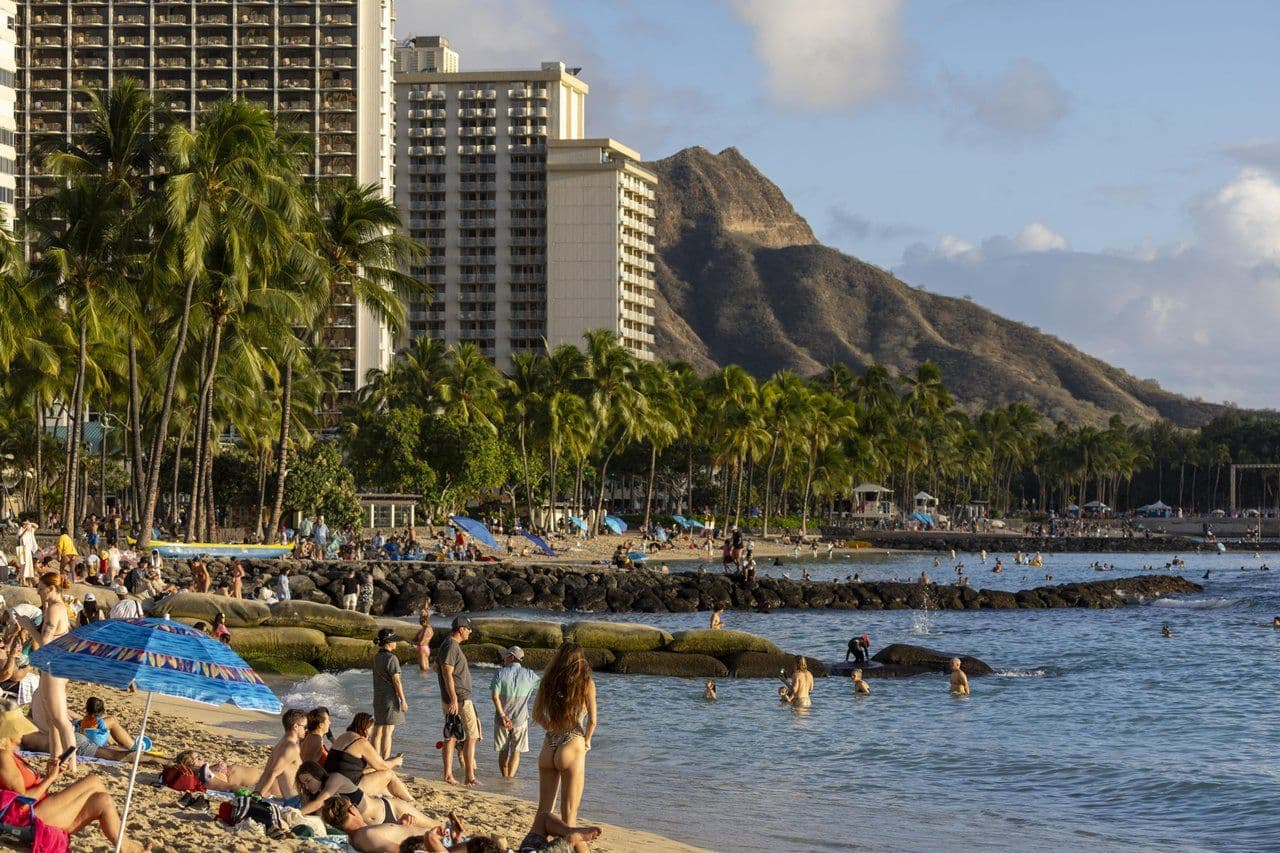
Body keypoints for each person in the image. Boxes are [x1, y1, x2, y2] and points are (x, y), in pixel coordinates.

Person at [0, 700, 151, 852]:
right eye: (17, 728)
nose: (21, 732)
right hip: (27, 816)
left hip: (41, 806)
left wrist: (51, 772)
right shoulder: (3, 757)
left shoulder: (10, 754)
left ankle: (132, 849)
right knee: (94, 781)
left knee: (102, 800)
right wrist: (50, 778)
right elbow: (23, 800)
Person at [14, 573, 76, 774]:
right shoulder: (58, 608)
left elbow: (45, 643)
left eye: (40, 588)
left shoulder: (55, 609)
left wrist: (29, 626)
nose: (37, 591)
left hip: (53, 666)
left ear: (51, 589)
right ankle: (55, 759)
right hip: (54, 666)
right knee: (52, 720)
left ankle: (72, 764)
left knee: (59, 719)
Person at [532, 642, 597, 827]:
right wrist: (587, 741)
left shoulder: (547, 681)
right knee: (569, 815)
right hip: (572, 739)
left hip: (549, 743)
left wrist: (551, 726)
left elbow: (536, 714)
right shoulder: (586, 683)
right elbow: (593, 720)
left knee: (543, 812)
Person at [295, 762, 432, 828]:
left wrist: (292, 813)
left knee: (436, 827)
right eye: (304, 784)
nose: (307, 786)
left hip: (391, 810)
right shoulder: (320, 800)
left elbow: (319, 802)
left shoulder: (334, 779)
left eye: (308, 781)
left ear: (318, 775)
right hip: (379, 829)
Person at [325, 712, 414, 801]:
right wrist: (396, 761)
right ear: (365, 728)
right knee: (389, 774)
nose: (371, 732)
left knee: (373, 769)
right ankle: (410, 800)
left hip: (331, 781)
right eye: (371, 728)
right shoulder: (361, 742)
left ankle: (393, 795)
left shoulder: (344, 736)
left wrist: (386, 762)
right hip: (347, 787)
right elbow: (382, 766)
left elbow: (350, 762)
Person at [438, 616, 481, 786]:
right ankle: (469, 777)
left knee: (453, 736)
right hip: (459, 698)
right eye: (468, 629)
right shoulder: (451, 645)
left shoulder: (448, 645)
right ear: (461, 629)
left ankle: (450, 775)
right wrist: (454, 698)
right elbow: (446, 671)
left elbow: (439, 668)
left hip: (456, 698)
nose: (470, 632)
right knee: (471, 736)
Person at [491, 646, 540, 779]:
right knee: (516, 752)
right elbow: (544, 689)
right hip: (520, 719)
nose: (503, 659)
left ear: (512, 657)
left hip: (501, 719)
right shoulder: (530, 675)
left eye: (505, 656)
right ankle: (510, 779)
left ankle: (504, 777)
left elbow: (495, 697)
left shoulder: (500, 673)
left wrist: (502, 715)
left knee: (503, 751)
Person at [319, 793, 424, 853]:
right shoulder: (365, 835)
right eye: (354, 805)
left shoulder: (365, 832)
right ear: (352, 810)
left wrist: (401, 825)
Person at [253, 708, 307, 802]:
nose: (306, 730)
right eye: (305, 726)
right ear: (295, 726)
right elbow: (273, 773)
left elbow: (266, 773)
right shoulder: (291, 747)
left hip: (292, 799)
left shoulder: (281, 744)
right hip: (297, 801)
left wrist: (256, 793)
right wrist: (258, 797)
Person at [372, 628, 408, 759]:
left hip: (378, 698)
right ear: (389, 642)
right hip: (389, 699)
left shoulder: (376, 657)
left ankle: (374, 760)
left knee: (377, 730)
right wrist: (403, 700)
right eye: (394, 640)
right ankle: (385, 761)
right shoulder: (392, 658)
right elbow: (397, 681)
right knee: (388, 732)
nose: (396, 643)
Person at [170, 749, 260, 792]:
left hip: (256, 778)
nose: (202, 758)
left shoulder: (205, 770)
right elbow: (222, 783)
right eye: (199, 758)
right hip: (254, 781)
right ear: (191, 765)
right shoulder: (202, 774)